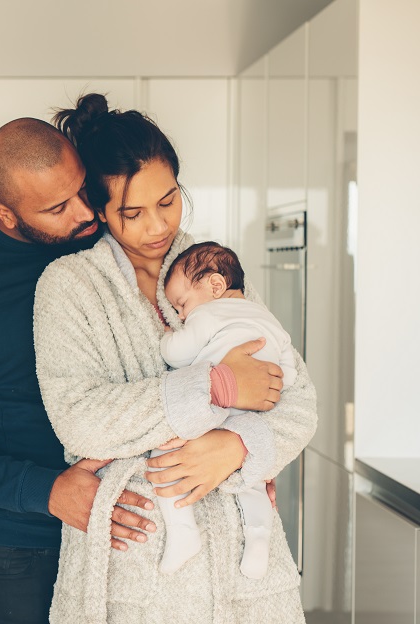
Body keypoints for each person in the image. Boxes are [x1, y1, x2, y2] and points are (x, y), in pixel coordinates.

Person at [0, 117, 285, 624]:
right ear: (5, 214)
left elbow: (242, 372)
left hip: (139, 537)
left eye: (84, 190)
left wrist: (245, 446)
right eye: (58, 208)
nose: (86, 214)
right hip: (16, 550)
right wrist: (46, 491)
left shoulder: (119, 243)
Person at [33, 93, 317, 623]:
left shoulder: (212, 270)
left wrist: (236, 446)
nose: (157, 226)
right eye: (132, 213)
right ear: (98, 209)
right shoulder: (69, 287)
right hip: (135, 568)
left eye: (168, 200)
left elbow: (297, 401)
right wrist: (213, 389)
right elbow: (79, 418)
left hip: (244, 566)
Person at [156, 241, 299, 578]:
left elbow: (177, 355)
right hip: (254, 417)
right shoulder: (268, 319)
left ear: (215, 286)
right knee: (253, 482)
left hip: (214, 407)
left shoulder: (208, 313)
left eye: (182, 304)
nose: (181, 315)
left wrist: (166, 337)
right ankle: (259, 540)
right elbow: (288, 374)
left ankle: (183, 532)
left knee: (165, 452)